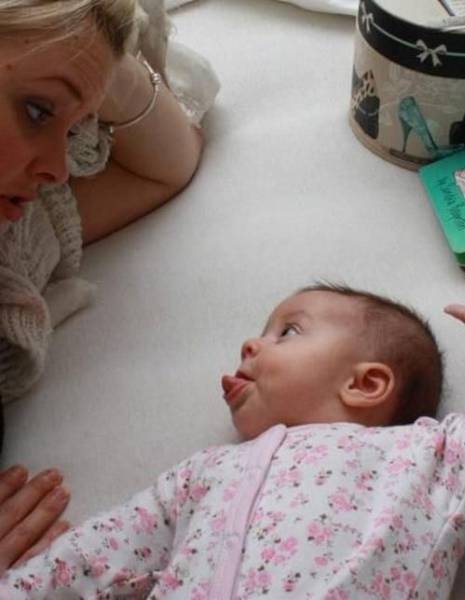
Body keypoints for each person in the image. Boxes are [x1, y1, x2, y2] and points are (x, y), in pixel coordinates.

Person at [0, 243, 465, 598]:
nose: (250, 343)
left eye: (287, 331)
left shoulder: (423, 457)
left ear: (365, 384)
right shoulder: (202, 473)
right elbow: (102, 549)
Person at [0, 0, 218, 575]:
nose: (57, 168)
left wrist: (102, 51)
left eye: (75, 128)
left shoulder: (17, 234)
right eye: (36, 111)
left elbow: (166, 164)